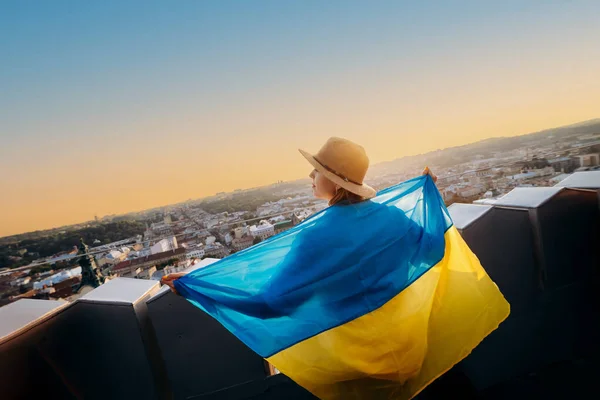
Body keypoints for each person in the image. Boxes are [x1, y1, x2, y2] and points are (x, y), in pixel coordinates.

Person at [161, 137, 437, 293]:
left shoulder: (314, 236)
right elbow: (432, 249)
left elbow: (270, 299)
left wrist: (198, 286)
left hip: (354, 360)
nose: (310, 175)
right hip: (407, 343)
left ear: (337, 183)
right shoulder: (392, 218)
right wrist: (431, 199)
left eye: (318, 170)